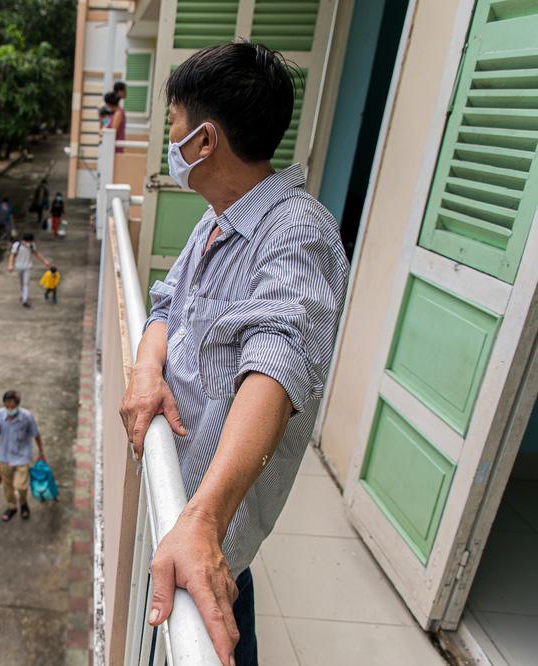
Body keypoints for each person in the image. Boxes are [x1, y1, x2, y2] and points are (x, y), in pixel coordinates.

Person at [118, 43, 348, 666]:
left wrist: (204, 520)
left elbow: (278, 364)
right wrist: (146, 370)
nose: (169, 140)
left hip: (209, 521)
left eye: (172, 124)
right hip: (186, 505)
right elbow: (165, 304)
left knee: (202, 626)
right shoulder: (218, 218)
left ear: (204, 140)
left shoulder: (296, 233)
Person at [0, 390, 45, 522]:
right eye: (7, 406)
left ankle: (24, 503)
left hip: (22, 456)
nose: (9, 409)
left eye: (12, 406)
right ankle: (12, 507)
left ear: (18, 405)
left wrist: (41, 452)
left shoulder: (27, 417)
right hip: (5, 456)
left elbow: (36, 434)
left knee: (20, 486)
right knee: (7, 485)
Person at [7, 232, 50, 308]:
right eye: (28, 241)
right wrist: (10, 265)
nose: (29, 243)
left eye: (30, 242)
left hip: (27, 267)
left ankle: (24, 300)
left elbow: (37, 254)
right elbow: (12, 255)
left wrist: (45, 261)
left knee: (26, 283)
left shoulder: (32, 245)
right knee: (22, 283)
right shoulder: (17, 245)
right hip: (19, 267)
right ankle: (23, 295)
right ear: (24, 240)